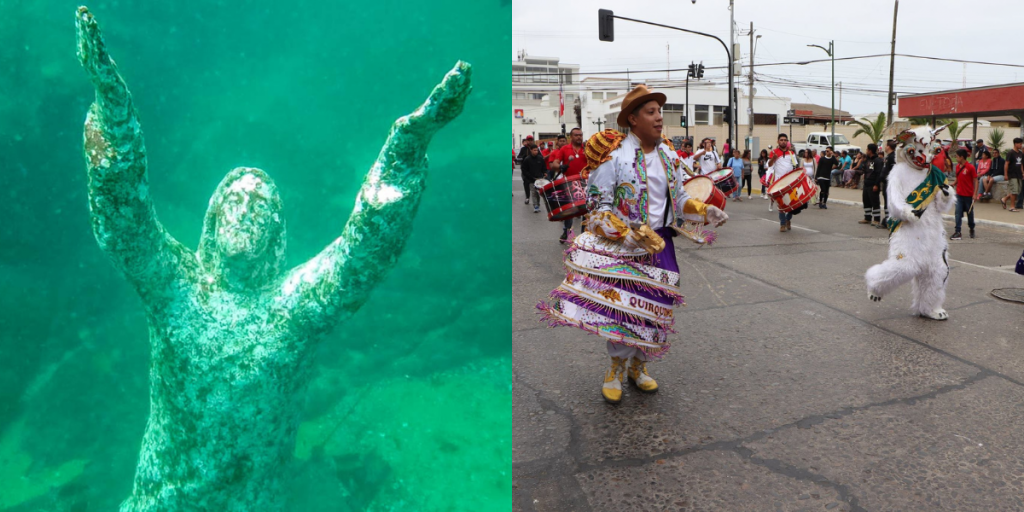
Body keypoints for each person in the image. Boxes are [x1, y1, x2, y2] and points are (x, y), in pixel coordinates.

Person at [75, 7, 472, 510]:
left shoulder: (295, 306)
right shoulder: (176, 286)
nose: (246, 213)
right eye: (235, 202)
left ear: (277, 229)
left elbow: (365, 251)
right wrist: (113, 110)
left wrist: (406, 148)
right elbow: (124, 222)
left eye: (261, 206)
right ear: (212, 219)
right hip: (165, 499)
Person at [537, 84, 727, 405]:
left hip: (662, 245)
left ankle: (639, 367)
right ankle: (614, 369)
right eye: (650, 112)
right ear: (632, 119)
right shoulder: (614, 158)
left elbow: (680, 199)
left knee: (655, 311)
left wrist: (703, 209)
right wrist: (627, 233)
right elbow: (598, 210)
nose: (658, 119)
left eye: (659, 112)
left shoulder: (669, 155)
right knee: (623, 311)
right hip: (624, 248)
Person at [550, 127, 587, 241]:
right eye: (576, 135)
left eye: (580, 135)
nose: (579, 137)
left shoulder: (587, 148)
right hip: (569, 182)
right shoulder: (565, 149)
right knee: (570, 210)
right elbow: (554, 164)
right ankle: (567, 231)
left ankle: (583, 235)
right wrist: (560, 167)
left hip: (585, 182)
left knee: (586, 209)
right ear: (571, 137)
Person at [768, 133, 798, 231]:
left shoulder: (791, 153)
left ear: (787, 142)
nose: (783, 141)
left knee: (792, 204)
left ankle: (788, 219)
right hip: (779, 183)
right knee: (781, 204)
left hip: (791, 183)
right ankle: (782, 224)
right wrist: (773, 158)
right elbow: (769, 165)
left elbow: (795, 167)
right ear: (778, 141)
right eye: (781, 140)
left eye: (785, 140)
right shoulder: (774, 152)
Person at [951, 148, 977, 240]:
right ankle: (957, 231)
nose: (956, 158)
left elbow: (975, 180)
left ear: (962, 157)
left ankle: (972, 228)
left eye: (957, 157)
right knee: (958, 213)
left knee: (970, 214)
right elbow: (958, 177)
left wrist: (975, 193)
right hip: (959, 194)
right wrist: (954, 183)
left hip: (968, 195)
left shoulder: (970, 167)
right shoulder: (958, 166)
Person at [859, 143, 884, 226]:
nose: (866, 151)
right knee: (866, 201)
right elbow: (865, 169)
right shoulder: (867, 160)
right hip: (866, 184)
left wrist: (876, 185)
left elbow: (879, 173)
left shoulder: (878, 161)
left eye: (867, 149)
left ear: (870, 150)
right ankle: (867, 218)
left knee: (875, 202)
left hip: (873, 184)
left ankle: (876, 219)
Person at [520, 145, 547, 213]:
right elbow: (524, 170)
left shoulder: (540, 158)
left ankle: (537, 204)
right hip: (531, 179)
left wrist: (544, 172)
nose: (536, 152)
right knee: (534, 192)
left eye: (537, 150)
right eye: (534, 150)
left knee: (538, 193)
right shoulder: (527, 159)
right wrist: (529, 176)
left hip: (539, 179)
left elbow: (543, 167)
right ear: (531, 150)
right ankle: (535, 206)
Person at [879, 139, 897, 228]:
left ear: (889, 147)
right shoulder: (888, 156)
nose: (885, 147)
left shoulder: (893, 157)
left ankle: (889, 220)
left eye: (886, 145)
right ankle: (886, 219)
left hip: (890, 183)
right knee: (886, 202)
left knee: (889, 203)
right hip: (885, 183)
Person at [1002, 137, 1023, 212]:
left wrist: (1023, 173)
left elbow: (1021, 164)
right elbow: (1006, 164)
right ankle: (1012, 206)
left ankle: (1004, 199)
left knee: (1017, 190)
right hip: (1012, 174)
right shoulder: (1010, 153)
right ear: (1016, 144)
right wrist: (1006, 174)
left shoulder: (1020, 153)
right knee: (1014, 191)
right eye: (1020, 144)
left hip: (1019, 174)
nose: (1021, 145)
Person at [518, 135, 536, 202]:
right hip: (525, 169)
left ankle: (535, 200)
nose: (530, 141)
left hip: (534, 169)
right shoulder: (523, 149)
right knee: (526, 183)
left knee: (535, 183)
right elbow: (519, 157)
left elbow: (540, 157)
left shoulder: (535, 148)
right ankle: (527, 197)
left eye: (531, 140)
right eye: (529, 140)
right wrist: (524, 156)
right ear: (526, 141)